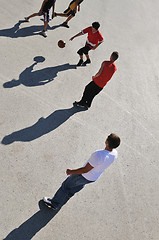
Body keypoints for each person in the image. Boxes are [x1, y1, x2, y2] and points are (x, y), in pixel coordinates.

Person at [43, 133, 121, 210]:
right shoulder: (115, 153)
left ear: (107, 142)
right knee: (79, 185)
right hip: (93, 177)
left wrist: (71, 171)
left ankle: (54, 203)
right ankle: (68, 195)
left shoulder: (99, 155)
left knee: (66, 186)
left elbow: (85, 170)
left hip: (84, 175)